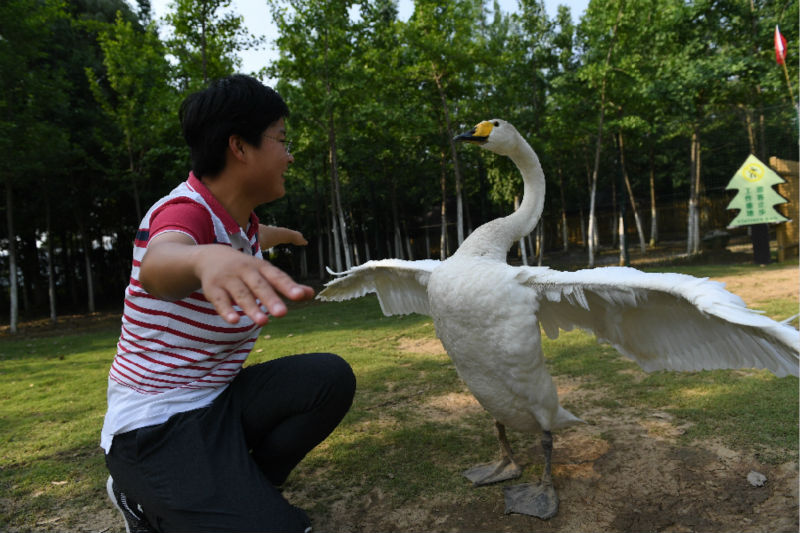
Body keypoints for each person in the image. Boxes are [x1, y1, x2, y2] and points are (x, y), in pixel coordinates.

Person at [101, 74, 356, 533]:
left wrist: (285, 236)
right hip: (154, 428)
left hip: (218, 401)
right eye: (282, 139)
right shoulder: (184, 213)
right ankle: (136, 497)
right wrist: (204, 259)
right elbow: (159, 263)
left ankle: (251, 486)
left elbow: (252, 237)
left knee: (328, 378)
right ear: (239, 147)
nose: (290, 155)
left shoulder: (240, 223)